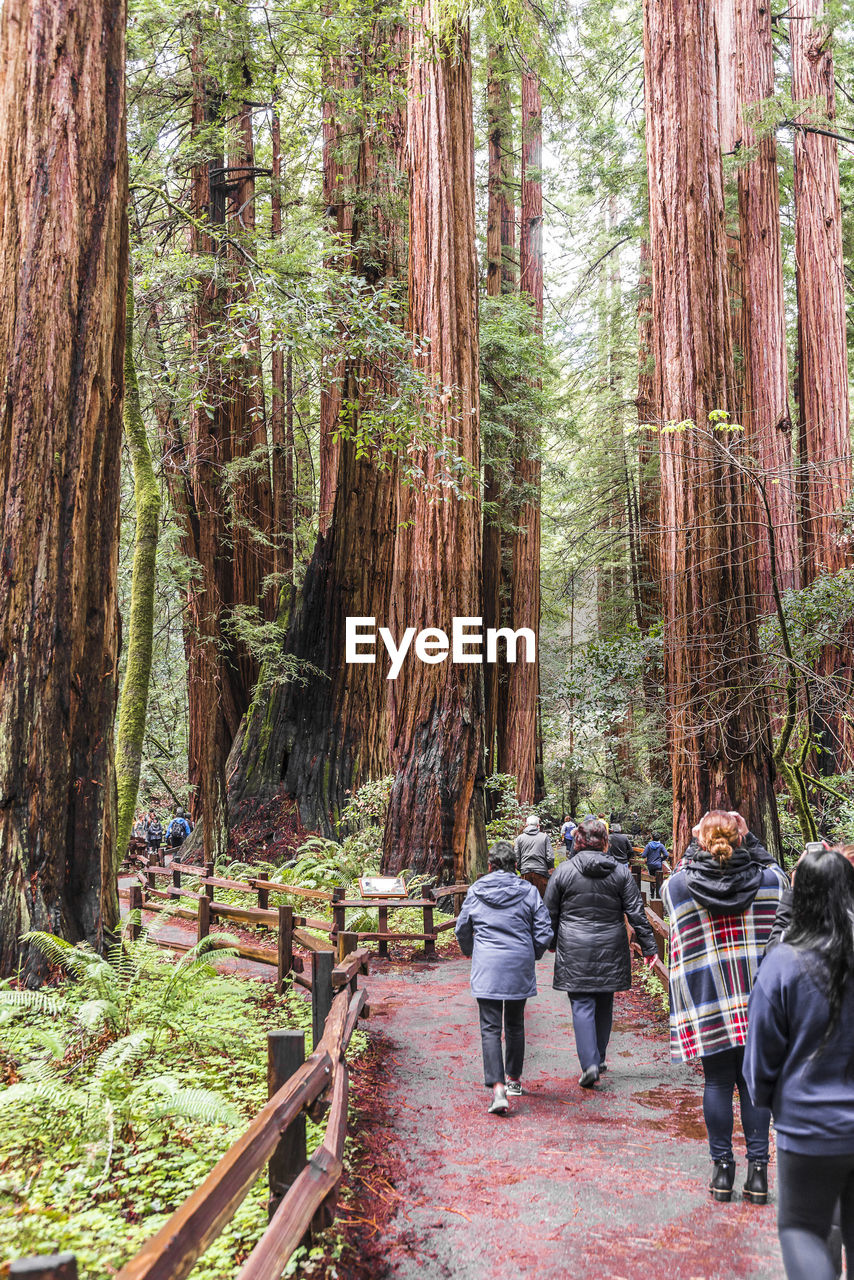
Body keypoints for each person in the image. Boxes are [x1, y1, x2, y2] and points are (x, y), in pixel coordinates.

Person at [662, 810, 787, 1204]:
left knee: (716, 1082)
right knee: (752, 1085)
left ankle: (721, 1172)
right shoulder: (770, 883)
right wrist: (750, 841)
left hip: (708, 1000)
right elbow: (778, 871)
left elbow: (675, 874)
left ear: (701, 840)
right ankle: (759, 1175)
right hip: (758, 1001)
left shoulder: (679, 887)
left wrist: (693, 842)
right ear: (740, 837)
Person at [744, 846, 854, 1280]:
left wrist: (769, 1102)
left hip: (808, 1127)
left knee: (802, 1228)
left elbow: (761, 1054)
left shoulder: (783, 963)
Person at [544, 817, 658, 1087]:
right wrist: (650, 948)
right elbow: (636, 913)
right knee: (605, 1001)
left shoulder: (564, 872)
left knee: (582, 1003)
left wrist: (550, 943)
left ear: (578, 842)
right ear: (605, 843)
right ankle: (600, 1057)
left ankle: (590, 1064)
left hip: (574, 947)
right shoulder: (620, 873)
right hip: (611, 946)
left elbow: (549, 913)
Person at [455, 841, 553, 1115]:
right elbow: (544, 931)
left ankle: (498, 1089)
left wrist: (473, 952)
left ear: (490, 866)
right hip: (518, 963)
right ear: (515, 866)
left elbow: (462, 928)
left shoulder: (477, 891)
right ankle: (514, 1081)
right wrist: (530, 953)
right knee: (515, 1024)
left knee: (490, 1027)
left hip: (487, 964)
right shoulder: (529, 891)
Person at [514, 814, 554, 897]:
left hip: (525, 872)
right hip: (541, 873)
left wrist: (520, 869)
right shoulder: (544, 837)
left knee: (526, 899)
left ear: (526, 825)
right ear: (538, 826)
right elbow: (550, 857)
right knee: (541, 900)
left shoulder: (519, 838)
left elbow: (516, 857)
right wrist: (550, 868)